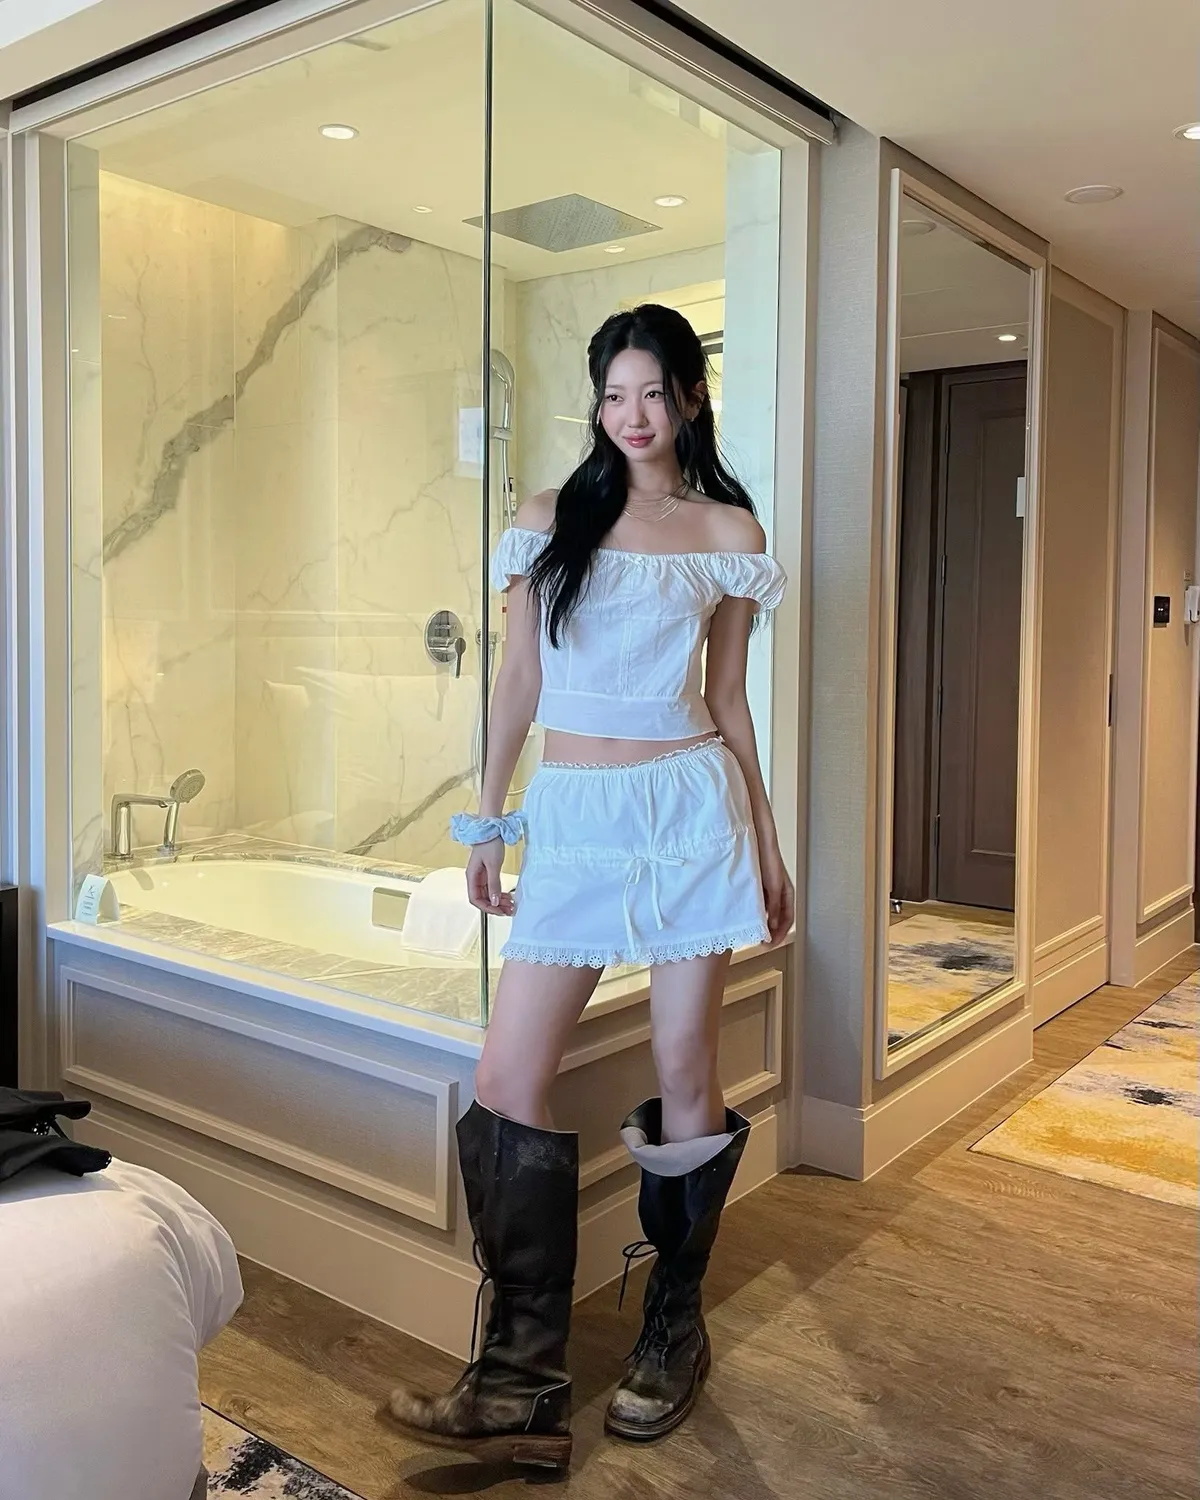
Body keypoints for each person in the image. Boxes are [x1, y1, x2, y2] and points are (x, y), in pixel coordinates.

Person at [387, 303, 793, 1472]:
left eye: (652, 393)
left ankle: (672, 1330)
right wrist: (487, 823)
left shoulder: (727, 531)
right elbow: (517, 679)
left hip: (688, 811)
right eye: (613, 395)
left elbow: (728, 700)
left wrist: (766, 845)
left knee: (686, 1068)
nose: (632, 416)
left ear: (690, 398)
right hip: (571, 817)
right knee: (505, 1077)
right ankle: (521, 1381)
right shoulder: (546, 519)